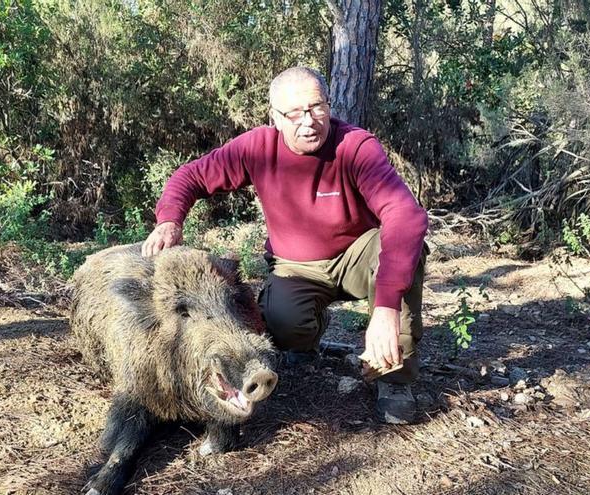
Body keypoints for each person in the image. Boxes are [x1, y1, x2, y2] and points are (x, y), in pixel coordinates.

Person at [141, 66, 428, 424]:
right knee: (279, 322)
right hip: (296, 266)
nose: (308, 121)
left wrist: (385, 307)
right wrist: (169, 220)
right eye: (294, 113)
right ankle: (306, 337)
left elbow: (405, 215)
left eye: (317, 107)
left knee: (404, 256)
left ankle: (395, 378)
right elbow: (191, 176)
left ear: (328, 104)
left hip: (358, 255)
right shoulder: (257, 148)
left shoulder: (356, 147)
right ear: (274, 117)